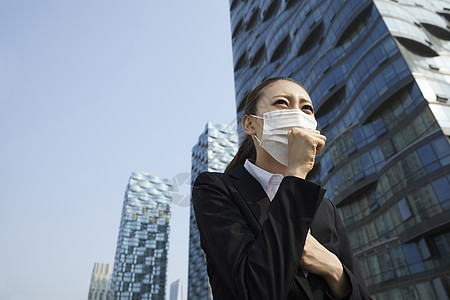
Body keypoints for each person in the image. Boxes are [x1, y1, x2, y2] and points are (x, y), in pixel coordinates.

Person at [191, 77, 371, 300]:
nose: (297, 114)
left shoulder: (325, 209)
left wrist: (334, 269)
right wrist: (295, 172)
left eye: (307, 108)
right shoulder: (216, 189)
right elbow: (254, 290)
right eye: (282, 103)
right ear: (250, 124)